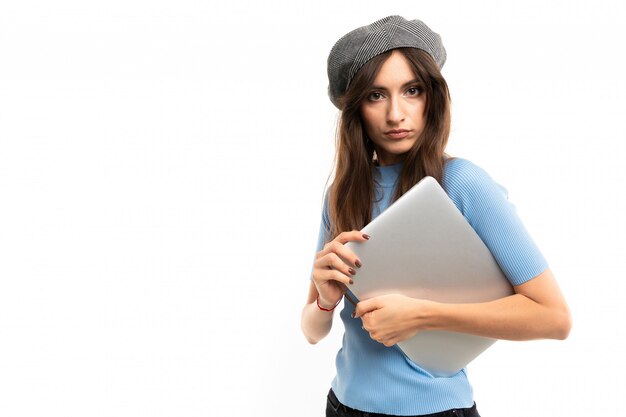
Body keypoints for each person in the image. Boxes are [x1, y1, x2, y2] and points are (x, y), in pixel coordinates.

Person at [300, 15, 572, 417]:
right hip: (342, 407)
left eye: (412, 90)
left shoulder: (462, 183)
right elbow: (311, 332)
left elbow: (553, 318)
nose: (396, 114)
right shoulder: (341, 194)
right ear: (355, 108)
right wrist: (324, 301)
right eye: (376, 95)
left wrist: (421, 316)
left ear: (433, 97)